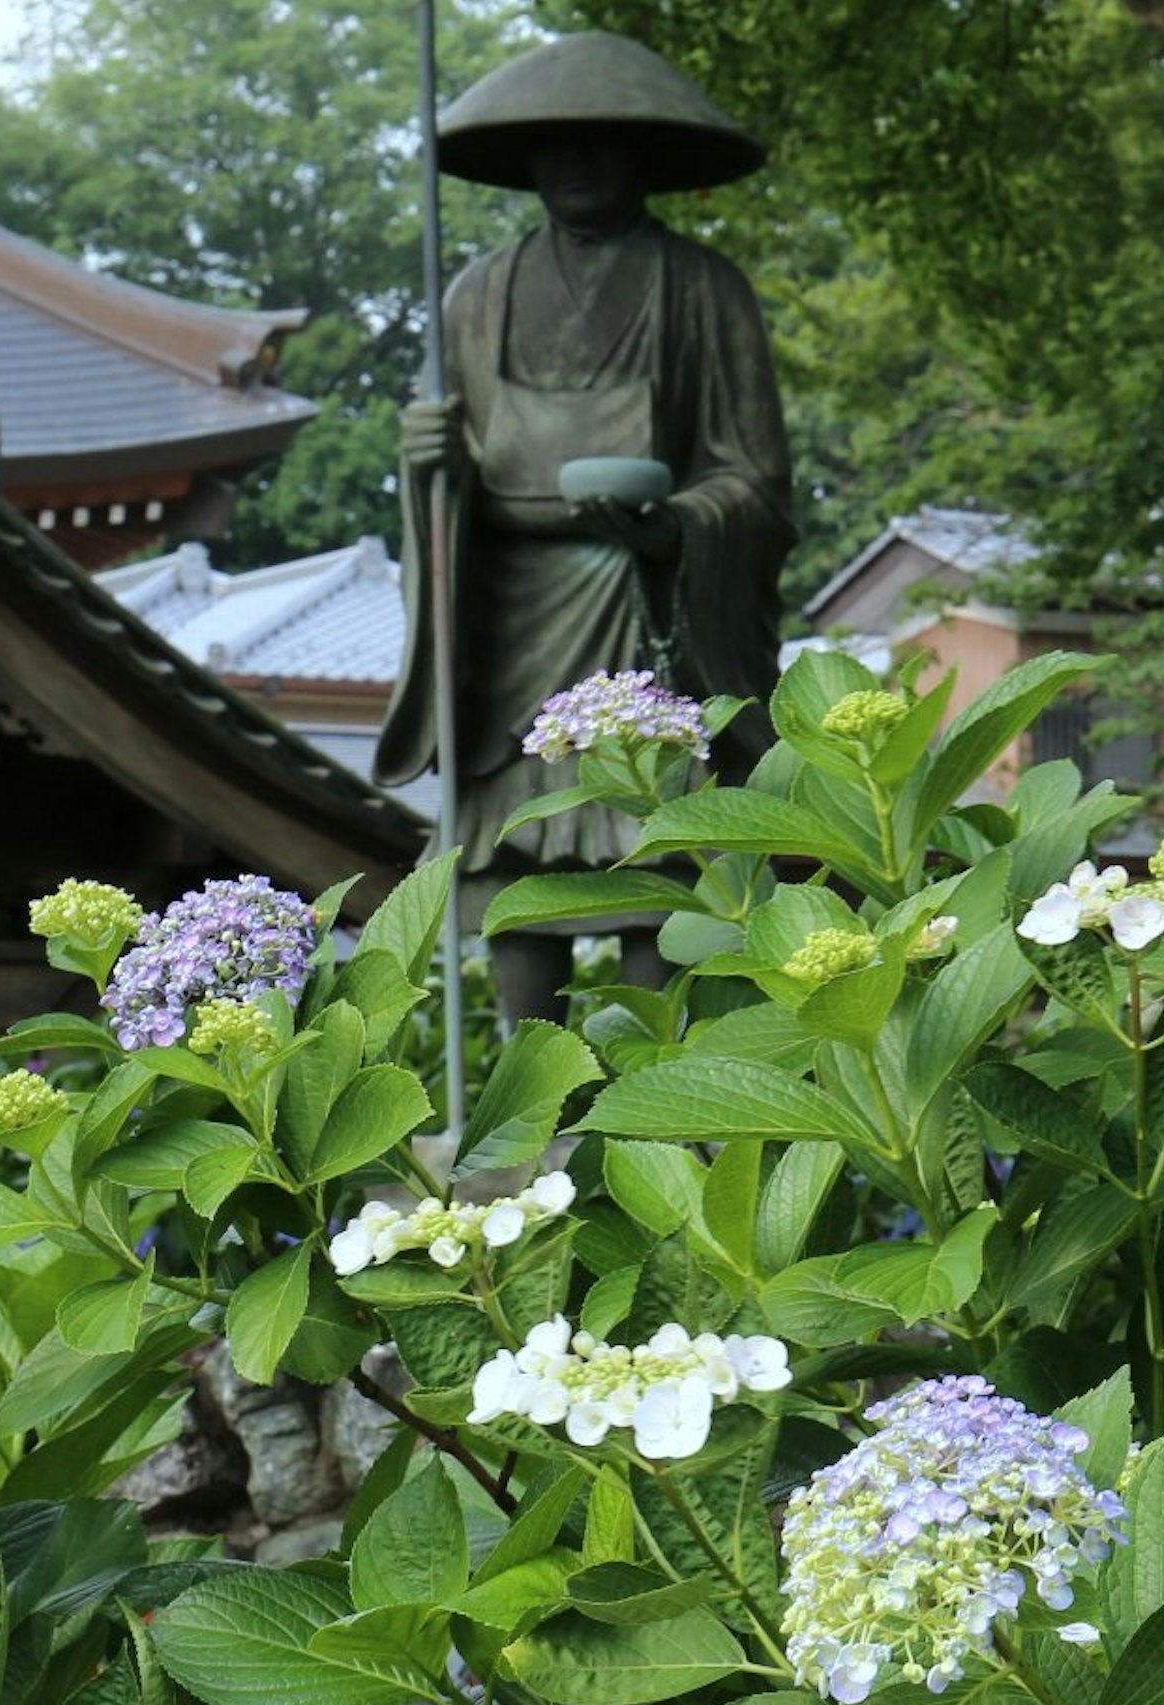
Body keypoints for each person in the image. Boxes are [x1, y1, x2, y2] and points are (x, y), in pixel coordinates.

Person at [375, 32, 795, 1025]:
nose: (575, 165)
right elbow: (452, 479)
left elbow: (757, 481)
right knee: (520, 872)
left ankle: (657, 1104)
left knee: (661, 854)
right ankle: (528, 1115)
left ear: (642, 156)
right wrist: (427, 468)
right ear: (525, 163)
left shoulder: (703, 289)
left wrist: (679, 529)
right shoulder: (477, 295)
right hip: (514, 615)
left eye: (599, 145)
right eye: (554, 147)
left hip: (653, 603)